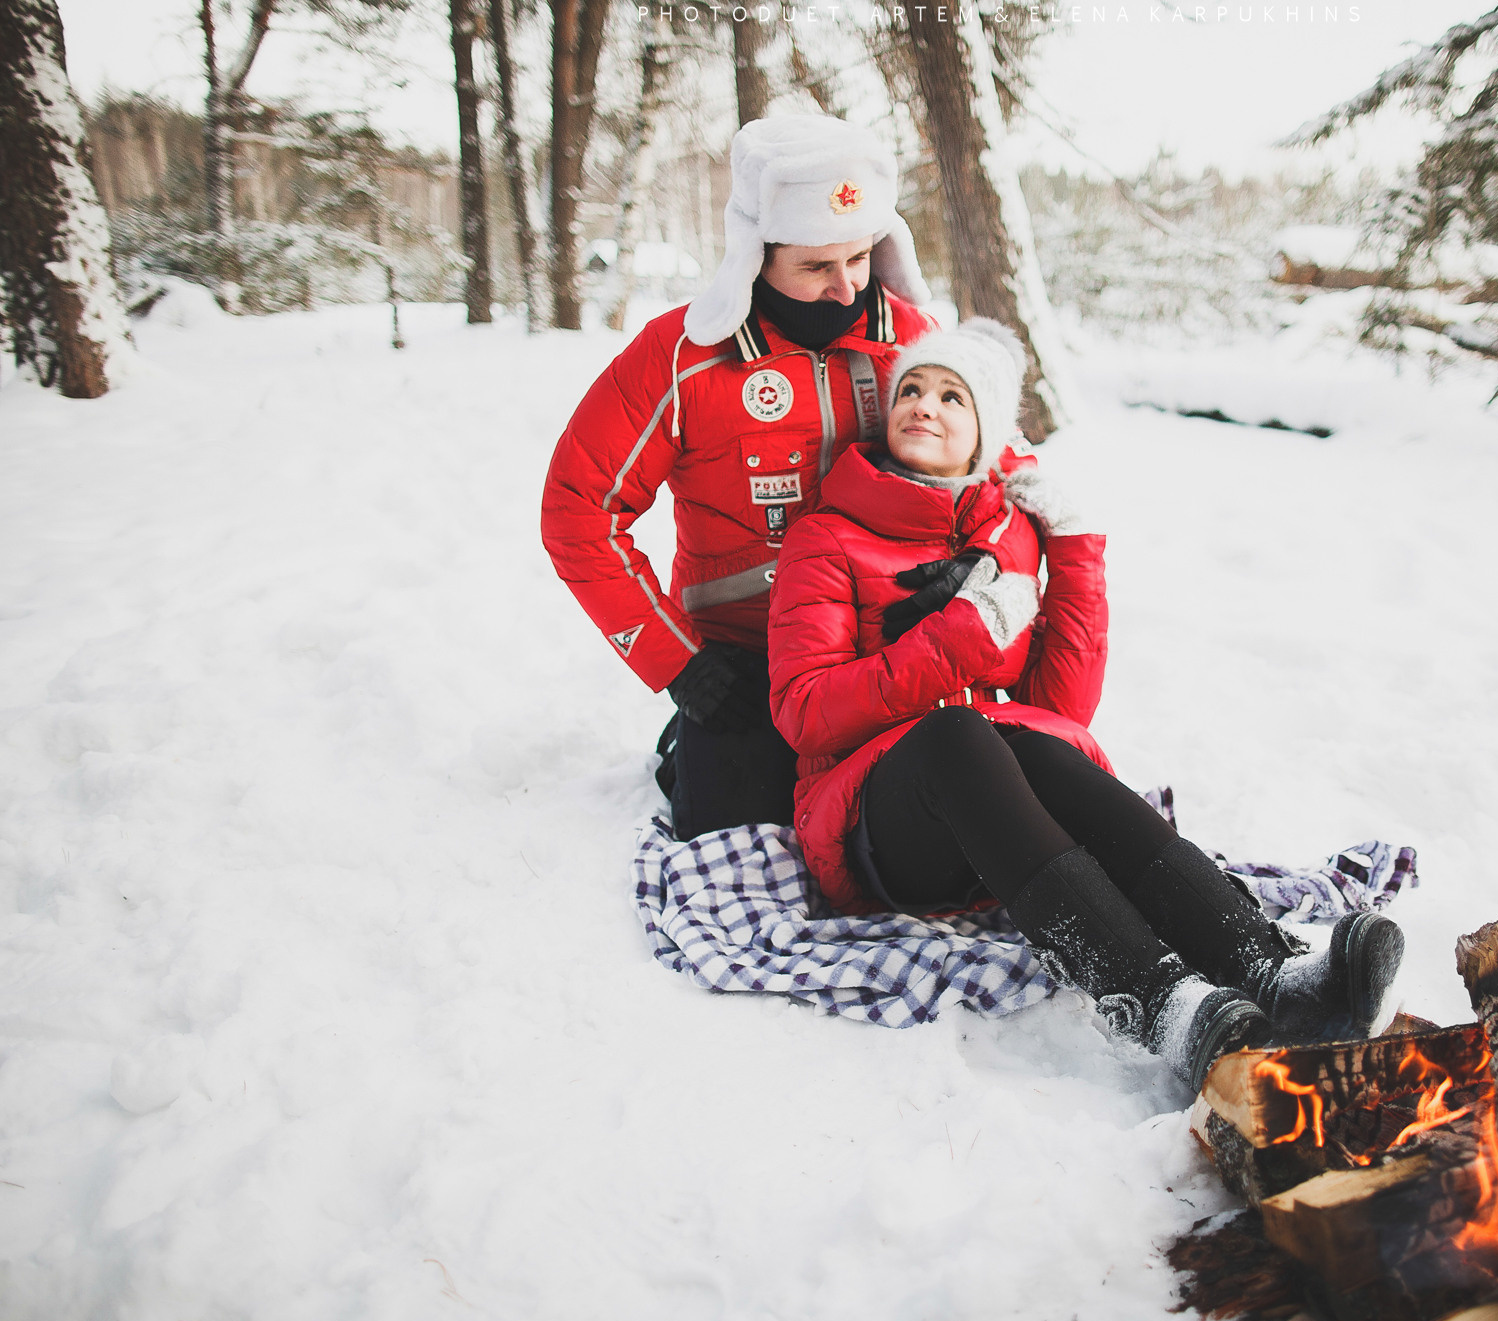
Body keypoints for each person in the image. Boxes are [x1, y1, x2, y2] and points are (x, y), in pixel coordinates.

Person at [765, 319, 1406, 1088]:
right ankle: (1156, 998)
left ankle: (1268, 968)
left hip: (1003, 831)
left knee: (1034, 744)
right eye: (910, 388)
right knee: (958, 734)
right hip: (880, 828)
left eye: (951, 396)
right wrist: (958, 635)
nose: (923, 405)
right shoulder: (826, 538)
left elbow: (1062, 707)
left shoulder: (1007, 536)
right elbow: (803, 712)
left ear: (984, 435)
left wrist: (1072, 548)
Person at [541, 114, 987, 839]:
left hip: (880, 658)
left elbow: (998, 483)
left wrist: (968, 567)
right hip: (745, 671)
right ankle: (690, 748)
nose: (846, 289)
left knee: (911, 840)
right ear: (756, 253)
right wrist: (680, 663)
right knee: (740, 838)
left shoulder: (914, 345)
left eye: (859, 259)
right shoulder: (680, 357)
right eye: (816, 267)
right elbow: (576, 508)